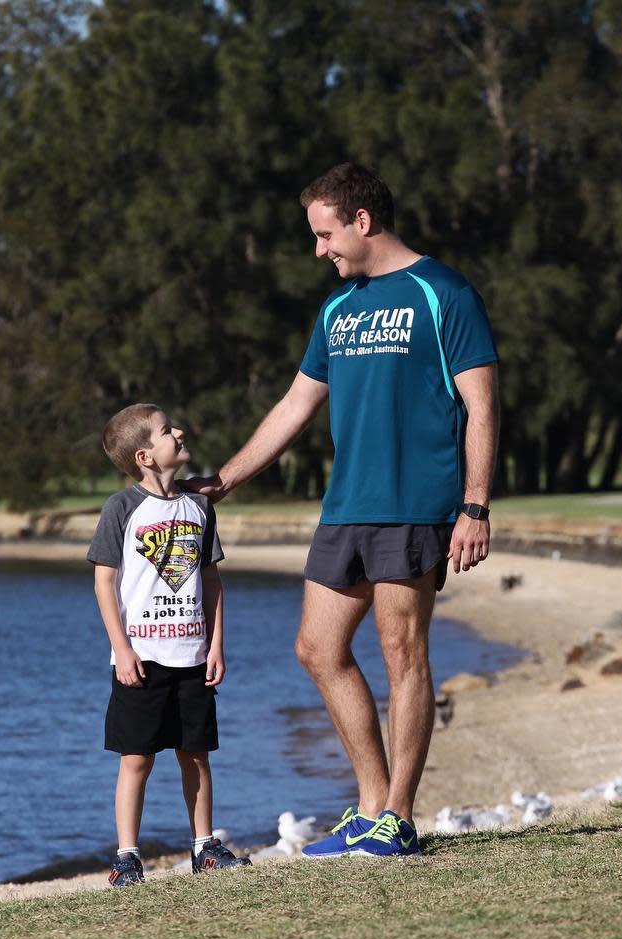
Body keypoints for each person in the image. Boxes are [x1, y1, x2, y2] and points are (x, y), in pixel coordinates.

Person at [194, 162, 500, 858]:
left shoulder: (442, 291)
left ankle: (398, 815)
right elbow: (294, 404)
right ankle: (367, 805)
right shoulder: (338, 310)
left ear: (362, 221)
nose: (318, 249)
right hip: (346, 508)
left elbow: (481, 404)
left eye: (324, 233)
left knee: (401, 652)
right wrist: (227, 479)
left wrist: (474, 506)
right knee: (317, 649)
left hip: (415, 501)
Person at [87, 403, 251, 884]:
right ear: (144, 456)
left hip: (193, 656)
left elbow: (212, 582)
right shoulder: (121, 509)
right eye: (165, 430)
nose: (178, 431)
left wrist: (216, 644)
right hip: (141, 658)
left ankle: (204, 847)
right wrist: (122, 649)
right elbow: (104, 584)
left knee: (195, 754)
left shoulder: (199, 507)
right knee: (136, 758)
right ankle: (126, 856)